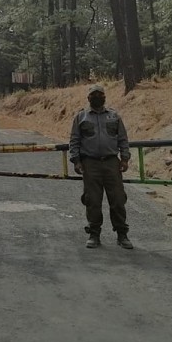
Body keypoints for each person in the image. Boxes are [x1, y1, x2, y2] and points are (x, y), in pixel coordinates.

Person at [69, 84, 134, 249]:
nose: (97, 97)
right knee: (93, 200)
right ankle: (94, 234)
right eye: (93, 94)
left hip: (112, 163)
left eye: (100, 94)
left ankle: (122, 234)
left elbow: (123, 139)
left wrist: (125, 158)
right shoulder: (81, 117)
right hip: (90, 164)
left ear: (105, 97)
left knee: (118, 199)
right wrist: (76, 161)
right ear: (88, 98)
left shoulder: (114, 116)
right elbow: (74, 140)